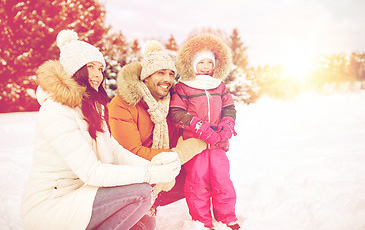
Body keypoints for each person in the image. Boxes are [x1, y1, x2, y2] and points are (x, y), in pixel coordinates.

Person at [20, 29, 182, 230]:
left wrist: (153, 166)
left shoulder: (92, 108)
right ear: (74, 69)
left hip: (81, 194)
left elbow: (115, 151)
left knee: (146, 222)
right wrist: (151, 176)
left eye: (100, 68)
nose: (98, 75)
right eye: (91, 67)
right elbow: (92, 172)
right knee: (141, 193)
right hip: (51, 205)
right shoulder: (56, 112)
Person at [108, 40, 206, 213]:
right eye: (160, 73)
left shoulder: (171, 104)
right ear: (146, 77)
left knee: (204, 171)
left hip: (160, 168)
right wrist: (180, 154)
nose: (167, 79)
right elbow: (131, 153)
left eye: (170, 74)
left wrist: (210, 134)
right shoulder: (123, 103)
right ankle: (137, 205)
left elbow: (186, 131)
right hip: (131, 174)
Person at [169, 34, 240, 230]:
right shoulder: (184, 86)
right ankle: (202, 221)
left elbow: (229, 107)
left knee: (222, 179)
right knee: (197, 182)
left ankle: (227, 216)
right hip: (195, 144)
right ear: (192, 64)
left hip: (217, 143)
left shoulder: (219, 85)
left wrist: (227, 123)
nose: (206, 66)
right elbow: (176, 112)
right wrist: (198, 126)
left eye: (210, 62)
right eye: (201, 62)